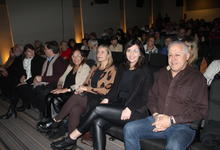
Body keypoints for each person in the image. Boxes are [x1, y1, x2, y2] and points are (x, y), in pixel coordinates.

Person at [50, 39, 153, 150]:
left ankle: (71, 138)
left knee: (98, 109)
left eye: (135, 51)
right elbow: (114, 89)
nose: (131, 54)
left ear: (141, 53)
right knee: (97, 122)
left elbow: (145, 97)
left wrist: (130, 108)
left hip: (135, 110)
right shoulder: (123, 68)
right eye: (129, 50)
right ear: (125, 52)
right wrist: (107, 99)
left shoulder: (145, 71)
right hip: (119, 105)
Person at [123, 41, 208, 150]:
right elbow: (151, 97)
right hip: (157, 120)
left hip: (182, 126)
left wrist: (171, 120)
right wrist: (156, 115)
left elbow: (201, 110)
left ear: (187, 56)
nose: (173, 59)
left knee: (174, 146)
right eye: (170, 55)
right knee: (129, 128)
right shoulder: (160, 74)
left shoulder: (197, 78)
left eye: (177, 55)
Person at [40, 45, 116, 140]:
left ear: (108, 55)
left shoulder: (112, 69)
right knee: (75, 109)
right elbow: (86, 82)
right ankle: (71, 140)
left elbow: (106, 90)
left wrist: (85, 89)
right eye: (98, 52)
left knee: (77, 97)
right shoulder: (95, 67)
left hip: (100, 98)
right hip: (88, 96)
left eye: (102, 52)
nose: (99, 54)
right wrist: (81, 88)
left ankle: (56, 120)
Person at [37, 49, 90, 127]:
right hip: (64, 90)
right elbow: (61, 78)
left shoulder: (85, 68)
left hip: (74, 92)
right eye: (73, 56)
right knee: (49, 96)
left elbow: (80, 84)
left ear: (82, 57)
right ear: (71, 57)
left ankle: (56, 123)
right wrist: (59, 86)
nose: (76, 58)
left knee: (56, 99)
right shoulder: (70, 66)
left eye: (78, 56)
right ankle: (48, 118)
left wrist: (64, 90)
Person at [0, 44, 45, 119]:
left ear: (33, 51)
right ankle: (15, 109)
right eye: (26, 52)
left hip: (35, 81)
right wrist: (23, 76)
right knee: (17, 86)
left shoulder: (39, 60)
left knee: (17, 88)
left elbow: (37, 75)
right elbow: (25, 71)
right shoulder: (26, 60)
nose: (27, 53)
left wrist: (26, 82)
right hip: (28, 80)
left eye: (29, 51)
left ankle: (12, 111)